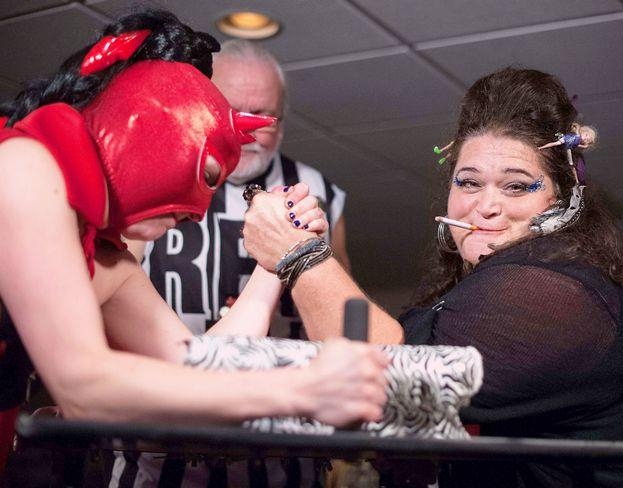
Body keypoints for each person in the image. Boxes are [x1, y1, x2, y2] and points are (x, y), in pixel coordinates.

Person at [0, 8, 390, 479]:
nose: (195, 213)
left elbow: (200, 362)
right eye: (206, 176)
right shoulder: (25, 165)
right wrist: (301, 389)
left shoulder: (106, 259)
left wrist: (277, 257)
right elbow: (81, 383)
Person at [242, 67, 623, 487]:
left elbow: (391, 379)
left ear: (563, 200)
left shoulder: (557, 295)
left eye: (516, 186)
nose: (486, 206)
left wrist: (299, 254)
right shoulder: (485, 289)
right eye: (469, 182)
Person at [132, 39, 349, 336]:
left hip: (285, 376)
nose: (246, 132)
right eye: (231, 112)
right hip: (167, 368)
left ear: (282, 124)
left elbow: (344, 312)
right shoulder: (152, 178)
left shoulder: (317, 190)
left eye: (261, 118)